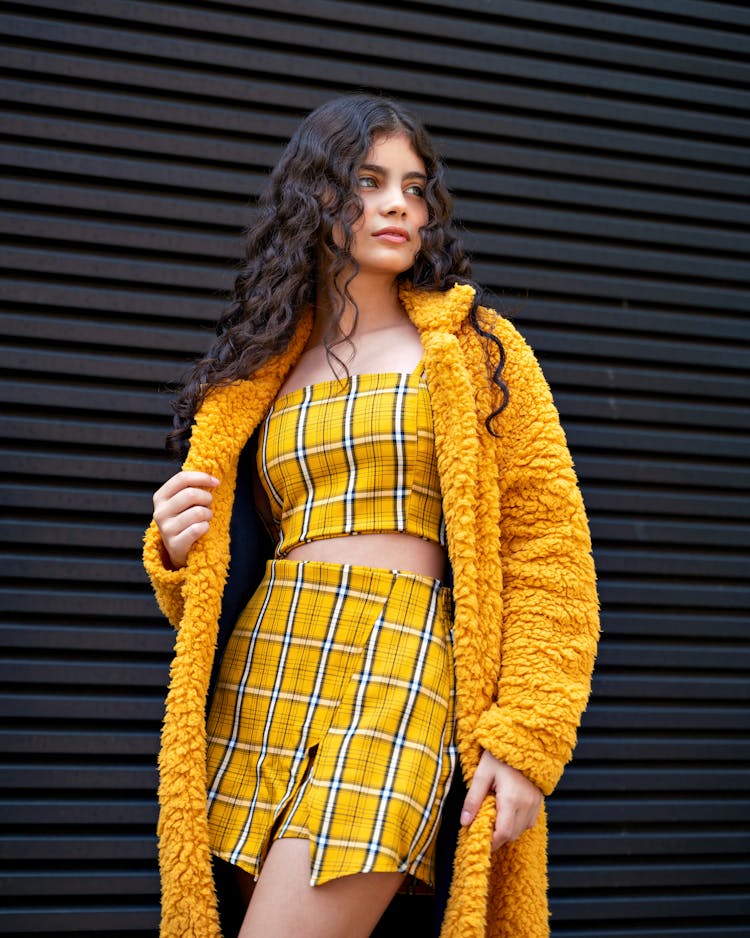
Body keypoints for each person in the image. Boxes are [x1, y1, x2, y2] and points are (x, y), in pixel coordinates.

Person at [144, 93, 599, 938]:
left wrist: (529, 737)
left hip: (405, 661)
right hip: (267, 657)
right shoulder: (261, 370)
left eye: (415, 187)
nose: (400, 204)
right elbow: (217, 573)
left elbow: (548, 547)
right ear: (315, 196)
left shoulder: (476, 351)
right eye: (369, 181)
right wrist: (175, 548)